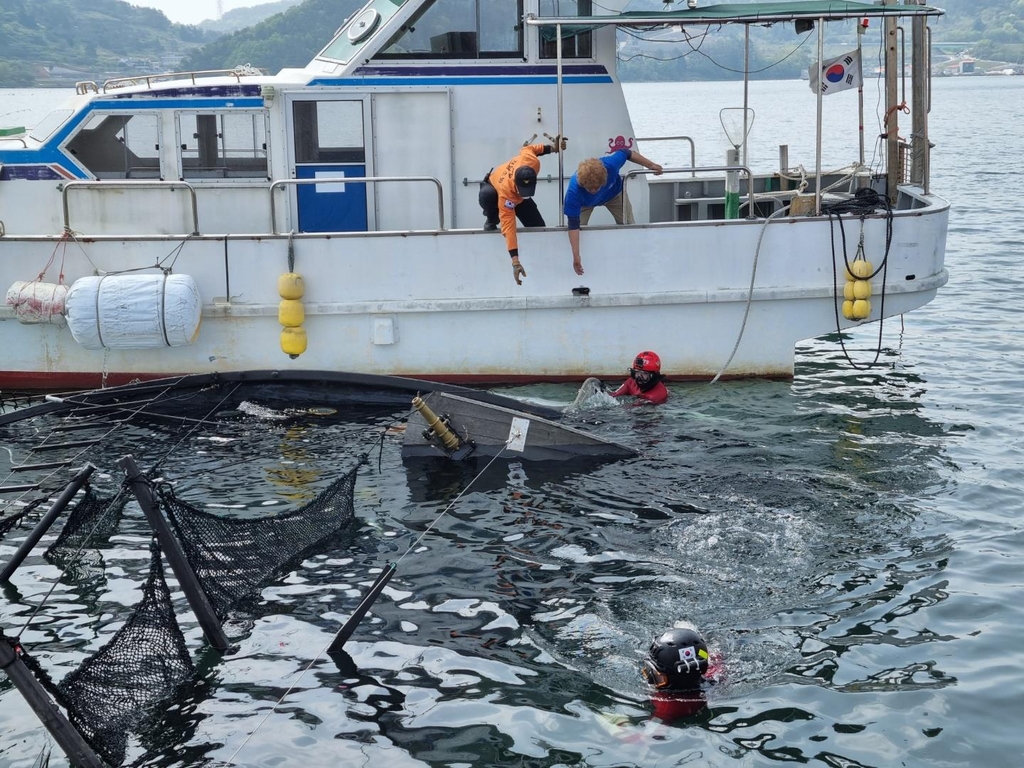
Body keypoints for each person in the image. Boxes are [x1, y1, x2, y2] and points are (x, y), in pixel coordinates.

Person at [564, 148, 663, 275]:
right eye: (590, 189)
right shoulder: (573, 192)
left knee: (629, 224)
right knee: (580, 231)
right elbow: (573, 225)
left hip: (614, 195)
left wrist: (651, 165)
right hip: (585, 203)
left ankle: (633, 258)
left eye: (597, 187)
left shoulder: (611, 164)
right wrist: (576, 257)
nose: (594, 191)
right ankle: (583, 260)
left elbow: (627, 153)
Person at [479, 138, 565, 285]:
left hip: (516, 196)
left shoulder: (532, 163)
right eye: (523, 190)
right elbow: (509, 226)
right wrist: (515, 261)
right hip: (494, 189)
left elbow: (529, 149)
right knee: (488, 196)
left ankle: (542, 268)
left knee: (538, 226)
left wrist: (553, 148)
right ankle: (491, 219)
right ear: (516, 184)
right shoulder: (506, 192)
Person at [640, 626, 720, 721]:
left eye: (657, 677)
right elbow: (711, 658)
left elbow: (650, 733)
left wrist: (618, 719)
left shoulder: (667, 707)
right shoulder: (714, 680)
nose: (647, 676)